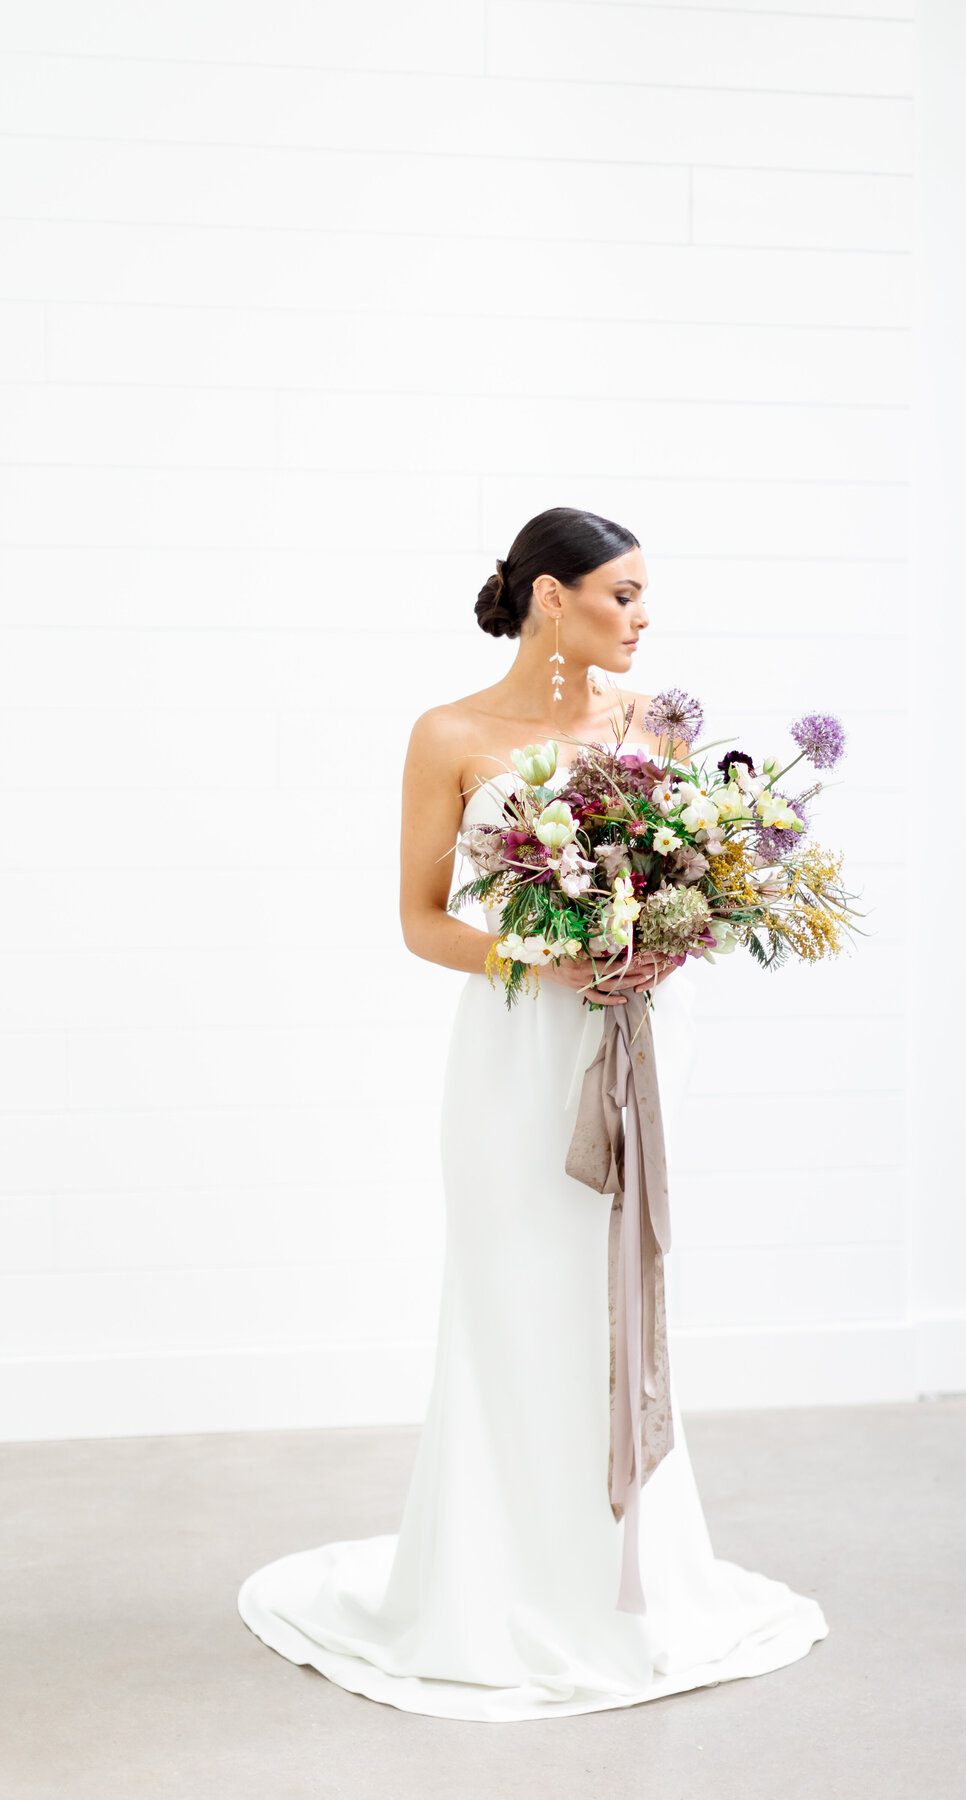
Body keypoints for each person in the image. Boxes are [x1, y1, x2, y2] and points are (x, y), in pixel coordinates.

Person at [236, 506, 828, 1721]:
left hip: (623, 1043)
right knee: (511, 1302)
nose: (643, 619)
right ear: (550, 597)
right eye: (623, 595)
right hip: (514, 1056)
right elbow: (420, 920)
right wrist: (543, 961)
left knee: (614, 1298)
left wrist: (664, 939)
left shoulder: (649, 723)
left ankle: (628, 1585)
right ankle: (488, 1591)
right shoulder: (448, 733)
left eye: (646, 595)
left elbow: (686, 878)